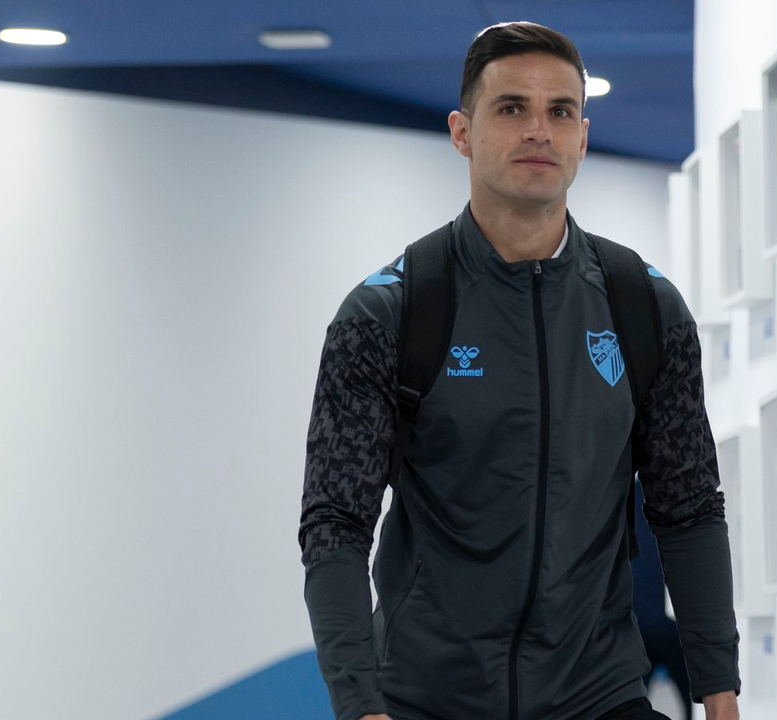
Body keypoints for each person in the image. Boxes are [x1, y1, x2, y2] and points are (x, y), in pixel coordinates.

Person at [298, 21, 740, 720]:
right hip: (427, 697)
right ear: (462, 133)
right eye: (511, 108)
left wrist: (719, 690)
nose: (539, 131)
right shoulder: (388, 313)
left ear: (583, 137)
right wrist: (360, 703)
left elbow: (688, 507)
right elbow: (335, 523)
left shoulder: (645, 307)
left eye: (560, 111)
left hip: (598, 694)